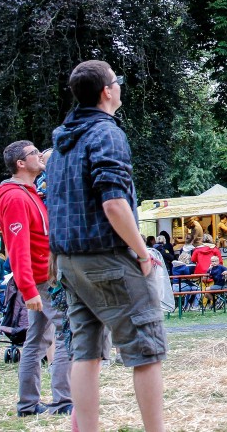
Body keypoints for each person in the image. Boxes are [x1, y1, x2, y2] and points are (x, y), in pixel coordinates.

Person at [46, 60, 165, 432]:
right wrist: (143, 253)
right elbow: (114, 204)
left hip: (71, 262)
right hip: (108, 259)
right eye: (117, 82)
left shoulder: (61, 141)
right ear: (106, 92)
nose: (120, 88)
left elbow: (58, 204)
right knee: (146, 352)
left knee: (85, 354)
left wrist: (55, 258)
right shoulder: (106, 134)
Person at [0, 141, 72, 416]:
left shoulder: (29, 192)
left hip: (43, 278)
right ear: (21, 164)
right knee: (67, 332)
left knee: (37, 340)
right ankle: (63, 401)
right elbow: (17, 246)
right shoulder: (14, 197)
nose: (40, 156)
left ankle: (28, 404)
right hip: (41, 281)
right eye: (34, 153)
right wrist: (28, 289)